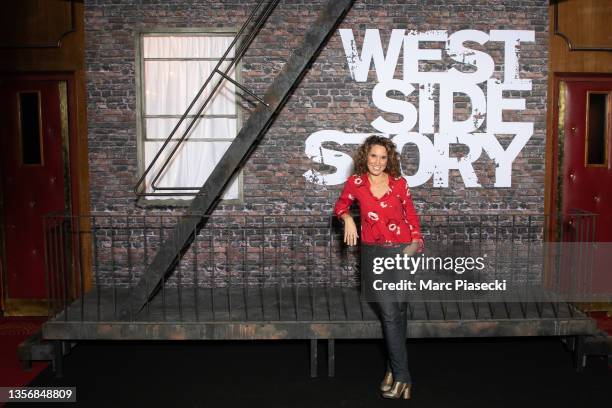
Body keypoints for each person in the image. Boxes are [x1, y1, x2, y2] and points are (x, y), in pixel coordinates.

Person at [334, 135, 424, 400]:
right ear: (366, 156)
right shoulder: (356, 182)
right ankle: (404, 377)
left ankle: (393, 371)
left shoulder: (399, 183)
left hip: (403, 252)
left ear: (389, 159)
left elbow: (411, 215)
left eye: (383, 157)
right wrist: (348, 218)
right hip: (374, 255)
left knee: (399, 312)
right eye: (373, 156)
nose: (377, 162)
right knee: (389, 314)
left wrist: (415, 242)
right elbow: (340, 205)